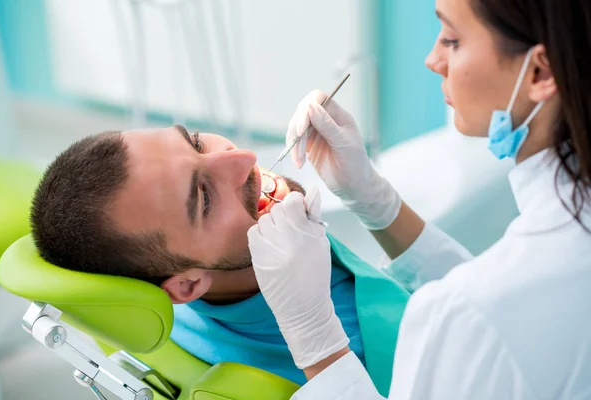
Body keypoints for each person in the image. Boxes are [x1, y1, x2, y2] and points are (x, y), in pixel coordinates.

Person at [247, 0, 591, 398]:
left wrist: (315, 340)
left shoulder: (472, 312)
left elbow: (491, 310)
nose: (432, 60)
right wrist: (372, 199)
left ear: (539, 72)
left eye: (451, 39)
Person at [29, 126, 410, 387]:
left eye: (196, 143)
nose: (242, 157)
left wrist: (374, 200)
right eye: (205, 198)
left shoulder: (162, 300)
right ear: (188, 284)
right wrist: (314, 334)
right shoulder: (350, 358)